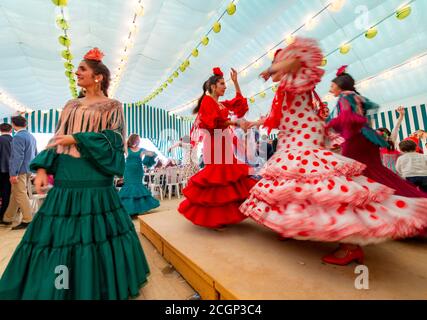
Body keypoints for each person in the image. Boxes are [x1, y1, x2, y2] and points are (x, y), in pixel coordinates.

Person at [240, 38, 427, 266]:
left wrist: (272, 68)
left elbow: (303, 56)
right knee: (297, 187)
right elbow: (276, 118)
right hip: (291, 140)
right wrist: (252, 123)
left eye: (279, 63)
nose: (276, 69)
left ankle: (350, 246)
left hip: (304, 138)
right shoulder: (283, 89)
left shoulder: (299, 79)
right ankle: (295, 225)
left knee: (325, 187)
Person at [0, 48, 149, 300]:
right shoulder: (70, 105)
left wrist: (77, 138)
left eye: (82, 69)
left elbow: (114, 140)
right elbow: (57, 138)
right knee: (60, 234)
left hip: (95, 175)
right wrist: (43, 168)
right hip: (68, 174)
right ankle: (61, 285)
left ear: (98, 76)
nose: (76, 73)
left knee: (97, 232)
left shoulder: (113, 106)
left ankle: (93, 285)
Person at [178, 67, 256, 229]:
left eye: (225, 84)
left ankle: (224, 216)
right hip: (215, 141)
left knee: (226, 177)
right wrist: (234, 123)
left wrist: (236, 82)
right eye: (222, 83)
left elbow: (240, 106)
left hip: (224, 140)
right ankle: (213, 218)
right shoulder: (207, 101)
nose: (224, 87)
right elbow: (211, 124)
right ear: (213, 86)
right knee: (217, 176)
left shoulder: (219, 103)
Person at [2, 116, 37, 230]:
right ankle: (8, 217)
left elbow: (17, 157)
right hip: (28, 169)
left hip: (20, 170)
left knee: (20, 193)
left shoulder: (18, 137)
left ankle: (28, 219)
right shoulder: (31, 136)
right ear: (25, 124)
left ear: (13, 124)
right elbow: (36, 153)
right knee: (15, 193)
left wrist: (13, 173)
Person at [119, 134, 160, 216]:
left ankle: (136, 209)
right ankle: (128, 209)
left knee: (137, 187)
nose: (139, 141)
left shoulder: (142, 150)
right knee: (129, 187)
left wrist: (152, 154)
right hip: (128, 171)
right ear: (133, 140)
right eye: (138, 139)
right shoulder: (127, 148)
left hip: (138, 171)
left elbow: (152, 154)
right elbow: (118, 152)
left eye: (139, 139)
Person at [376, 107, 405, 172]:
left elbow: (396, 126)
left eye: (382, 135)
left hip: (393, 168)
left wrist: (401, 115)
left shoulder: (391, 139)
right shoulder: (374, 143)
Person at [0, 123, 13, 225]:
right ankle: (4, 215)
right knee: (7, 194)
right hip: (11, 171)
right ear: (10, 130)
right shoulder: (15, 140)